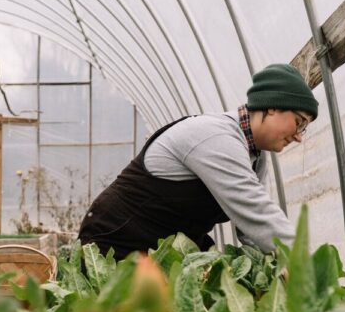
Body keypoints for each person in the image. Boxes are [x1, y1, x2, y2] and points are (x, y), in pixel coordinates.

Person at [77, 63, 319, 260]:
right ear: (273, 107)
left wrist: (272, 266)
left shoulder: (255, 156)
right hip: (114, 243)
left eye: (304, 127)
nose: (299, 136)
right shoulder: (216, 137)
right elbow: (257, 211)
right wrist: (304, 266)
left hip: (165, 251)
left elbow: (251, 229)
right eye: (299, 122)